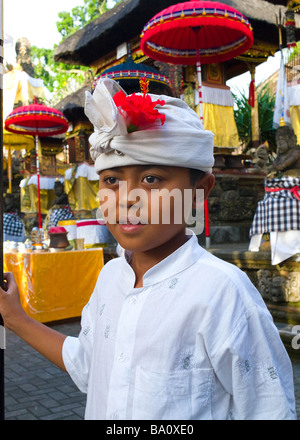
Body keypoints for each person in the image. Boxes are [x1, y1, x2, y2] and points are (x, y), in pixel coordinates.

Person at [0, 79, 296, 420]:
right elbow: (87, 362)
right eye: (111, 180)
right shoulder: (110, 277)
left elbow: (269, 410)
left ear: (199, 191)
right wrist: (16, 319)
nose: (126, 198)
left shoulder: (223, 295)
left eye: (152, 179)